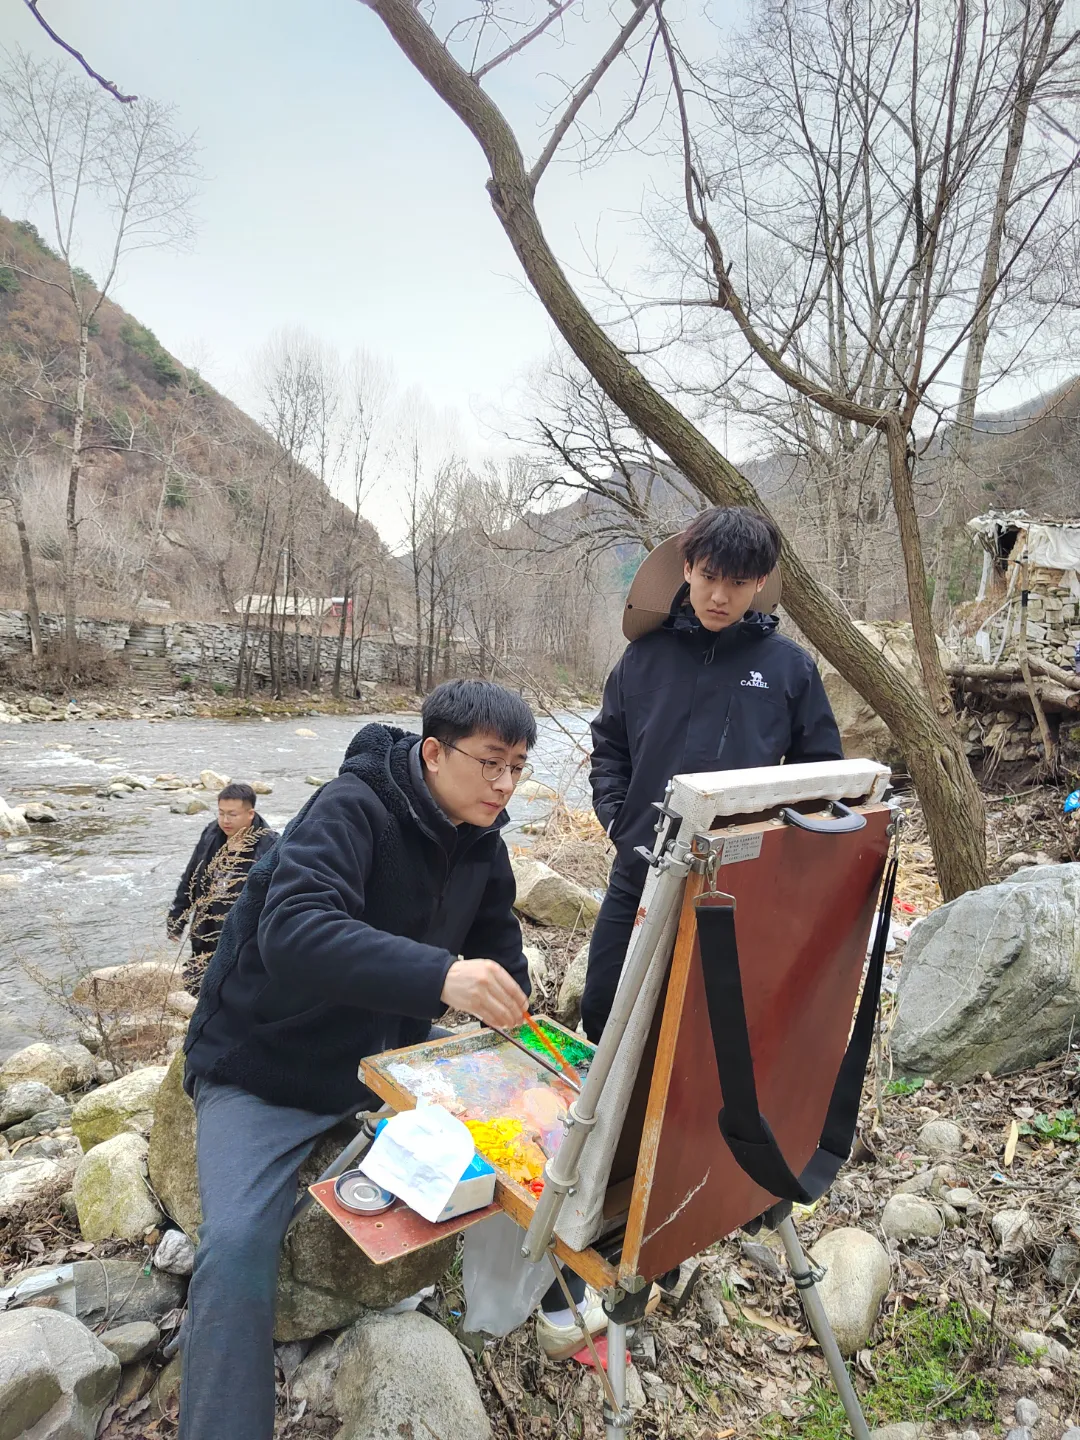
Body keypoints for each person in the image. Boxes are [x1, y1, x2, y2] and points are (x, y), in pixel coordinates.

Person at [178, 680, 537, 1440]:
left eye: (520, 768)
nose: (506, 785)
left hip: (386, 1059)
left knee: (546, 1126)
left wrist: (522, 1033)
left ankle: (542, 1308)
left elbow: (502, 953)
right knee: (237, 1250)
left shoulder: (483, 839)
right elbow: (296, 932)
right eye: (493, 763)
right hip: (266, 1064)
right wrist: (442, 976)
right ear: (434, 753)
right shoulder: (352, 808)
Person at [583, 506, 844, 1044]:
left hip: (734, 883)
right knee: (604, 1006)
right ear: (687, 570)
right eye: (708, 577)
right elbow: (609, 746)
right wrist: (616, 816)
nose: (719, 597)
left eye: (737, 582)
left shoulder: (788, 668)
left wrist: (777, 854)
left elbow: (820, 776)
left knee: (703, 1028)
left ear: (762, 583)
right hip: (638, 869)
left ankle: (672, 1126)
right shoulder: (643, 659)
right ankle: (605, 1125)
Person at [167, 782, 277, 997]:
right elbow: (191, 876)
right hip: (206, 927)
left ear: (250, 813)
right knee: (197, 985)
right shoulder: (210, 834)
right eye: (221, 813)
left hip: (243, 935)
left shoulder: (270, 846)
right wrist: (177, 918)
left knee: (236, 992)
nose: (225, 820)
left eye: (232, 815)